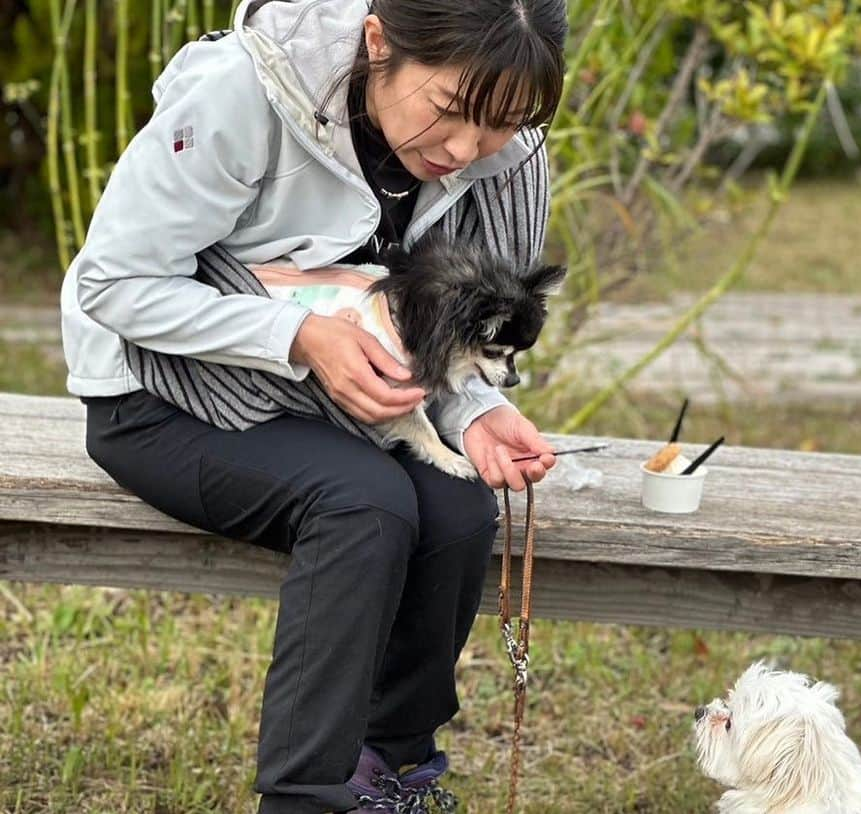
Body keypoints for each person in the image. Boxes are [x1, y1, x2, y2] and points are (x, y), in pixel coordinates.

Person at [58, 0, 568, 811]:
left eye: (502, 124)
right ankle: (305, 799)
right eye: (450, 111)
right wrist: (297, 336)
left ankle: (390, 774)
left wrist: (472, 412)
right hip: (163, 391)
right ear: (378, 42)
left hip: (349, 410)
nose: (469, 150)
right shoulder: (245, 93)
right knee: (364, 505)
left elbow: (463, 331)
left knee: (462, 513)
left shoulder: (510, 154)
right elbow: (114, 284)